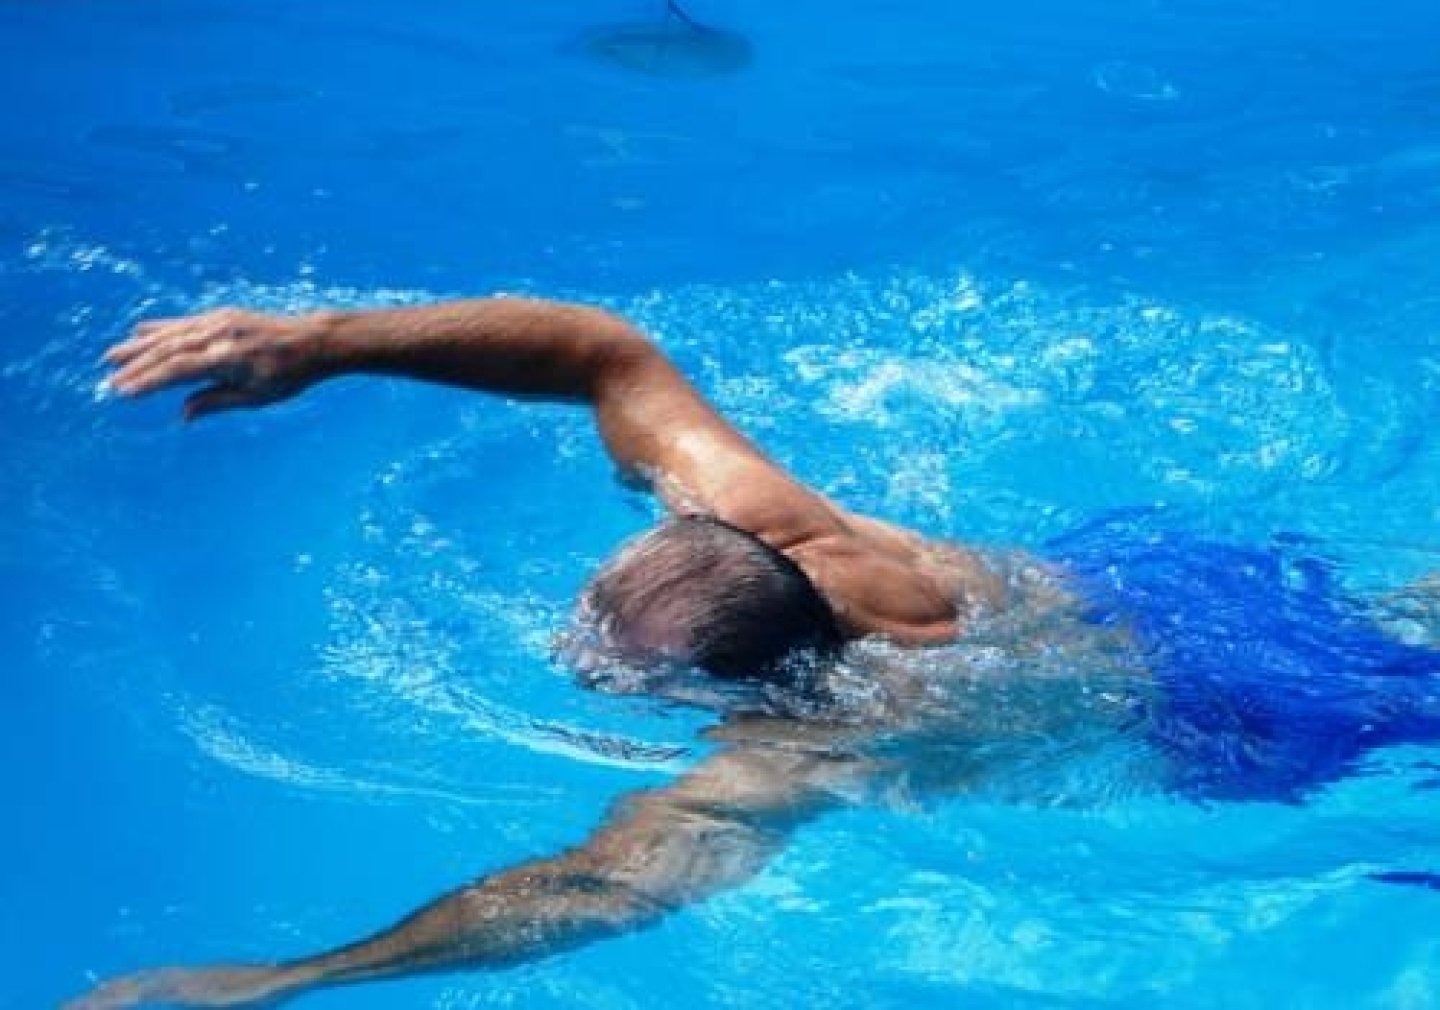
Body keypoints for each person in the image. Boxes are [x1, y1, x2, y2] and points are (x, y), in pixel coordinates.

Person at [69, 296, 1438, 1009]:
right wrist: (326, 344)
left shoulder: (810, 744)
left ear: (752, 687)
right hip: (1165, 583)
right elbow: (603, 352)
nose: (563, 651)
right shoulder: (779, 521)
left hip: (1235, 719)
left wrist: (306, 976)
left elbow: (599, 890)